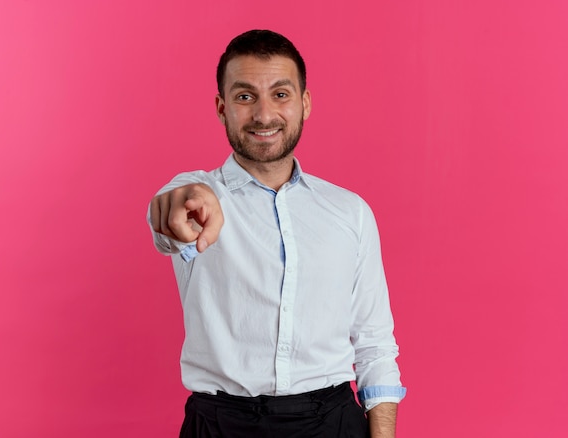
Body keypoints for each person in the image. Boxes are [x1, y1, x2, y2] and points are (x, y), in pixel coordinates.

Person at [148, 29, 406, 438]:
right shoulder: (196, 195)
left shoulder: (350, 212)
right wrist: (181, 205)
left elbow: (374, 343)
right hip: (220, 425)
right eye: (245, 96)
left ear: (305, 104)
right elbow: (170, 220)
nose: (264, 115)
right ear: (222, 107)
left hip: (333, 421)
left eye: (281, 94)